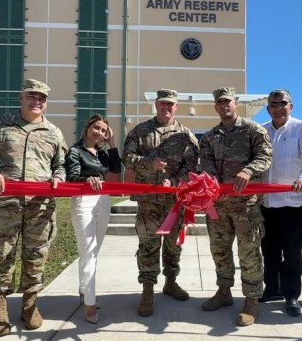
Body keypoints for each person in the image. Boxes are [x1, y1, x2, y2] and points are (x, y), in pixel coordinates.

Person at [0, 79, 67, 337]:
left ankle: (30, 304)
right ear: (21, 97)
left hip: (39, 207)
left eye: (42, 98)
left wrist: (59, 176)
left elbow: (61, 164)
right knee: (2, 255)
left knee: (36, 255)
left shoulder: (53, 132)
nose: (37, 101)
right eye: (32, 96)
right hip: (4, 206)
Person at [199, 87, 272, 326]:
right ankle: (224, 291)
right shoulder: (210, 137)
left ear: (236, 102)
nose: (223, 105)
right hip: (218, 206)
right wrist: (209, 186)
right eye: (219, 102)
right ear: (216, 106)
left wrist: (247, 170)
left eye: (227, 101)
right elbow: (206, 166)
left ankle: (252, 300)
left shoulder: (253, 130)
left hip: (246, 206)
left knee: (248, 253)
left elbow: (265, 156)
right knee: (219, 250)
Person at [122, 88, 199, 317]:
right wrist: (149, 163)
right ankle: (147, 289)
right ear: (156, 105)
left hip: (174, 200)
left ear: (176, 107)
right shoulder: (140, 131)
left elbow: (192, 165)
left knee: (174, 245)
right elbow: (127, 157)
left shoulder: (185, 134)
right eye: (162, 104)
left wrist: (174, 181)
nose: (166, 108)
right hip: (148, 201)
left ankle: (171, 282)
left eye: (170, 105)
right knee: (148, 245)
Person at [259, 89, 302, 317]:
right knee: (269, 250)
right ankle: (272, 289)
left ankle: (291, 295)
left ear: (290, 106)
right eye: (273, 104)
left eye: (282, 103)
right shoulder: (261, 130)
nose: (278, 107)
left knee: (292, 251)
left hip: (295, 203)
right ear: (268, 108)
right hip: (267, 202)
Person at [65, 114, 121, 324]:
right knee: (87, 252)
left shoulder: (103, 154)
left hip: (103, 201)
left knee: (94, 251)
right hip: (83, 201)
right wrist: (86, 179)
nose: (99, 133)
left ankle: (84, 290)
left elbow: (116, 169)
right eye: (96, 128)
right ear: (87, 127)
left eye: (103, 131)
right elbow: (72, 176)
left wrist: (113, 142)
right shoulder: (75, 151)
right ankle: (89, 303)